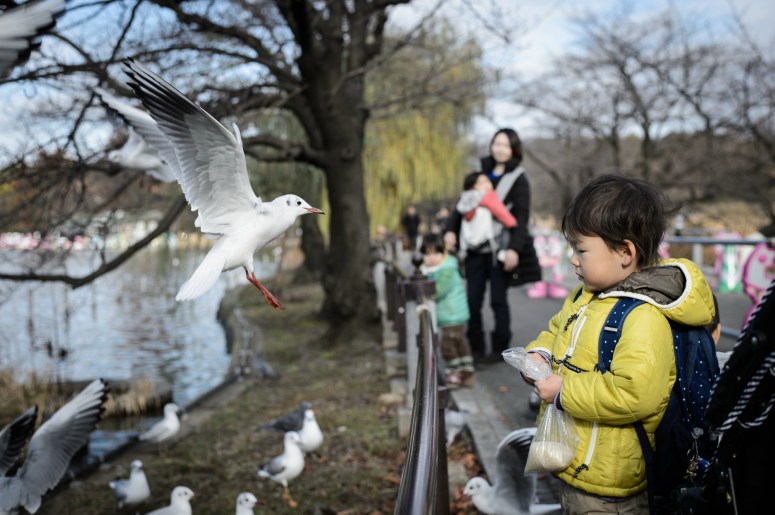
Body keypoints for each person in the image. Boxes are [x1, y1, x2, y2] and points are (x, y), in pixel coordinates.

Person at [522, 173, 715, 514]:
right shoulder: (584, 296)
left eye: (581, 249)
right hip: (577, 464)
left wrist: (564, 392)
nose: (572, 259)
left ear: (625, 252)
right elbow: (557, 330)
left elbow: (635, 394)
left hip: (612, 488)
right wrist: (541, 353)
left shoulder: (644, 316)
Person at [444, 128, 540, 361]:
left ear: (514, 149)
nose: (500, 149)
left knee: (498, 300)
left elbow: (521, 218)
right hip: (475, 250)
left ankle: (499, 349)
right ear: (491, 145)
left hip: (500, 249)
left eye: (506, 145)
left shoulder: (518, 178)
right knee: (472, 300)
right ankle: (476, 348)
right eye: (497, 143)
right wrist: (449, 230)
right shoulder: (481, 173)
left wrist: (514, 249)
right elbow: (462, 205)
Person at [420, 233, 475, 388]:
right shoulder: (431, 269)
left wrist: (423, 293)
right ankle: (466, 373)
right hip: (449, 314)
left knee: (448, 345)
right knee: (459, 343)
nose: (431, 258)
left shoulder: (447, 269)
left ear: (443, 252)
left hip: (452, 313)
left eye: (435, 253)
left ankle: (455, 373)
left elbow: (439, 290)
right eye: (427, 254)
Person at [456, 171, 517, 259]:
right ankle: (502, 252)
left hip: (470, 241)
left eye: (487, 181)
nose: (487, 184)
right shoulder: (487, 196)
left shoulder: (465, 198)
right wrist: (512, 223)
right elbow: (500, 212)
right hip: (488, 242)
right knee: (505, 231)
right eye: (482, 182)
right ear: (473, 186)